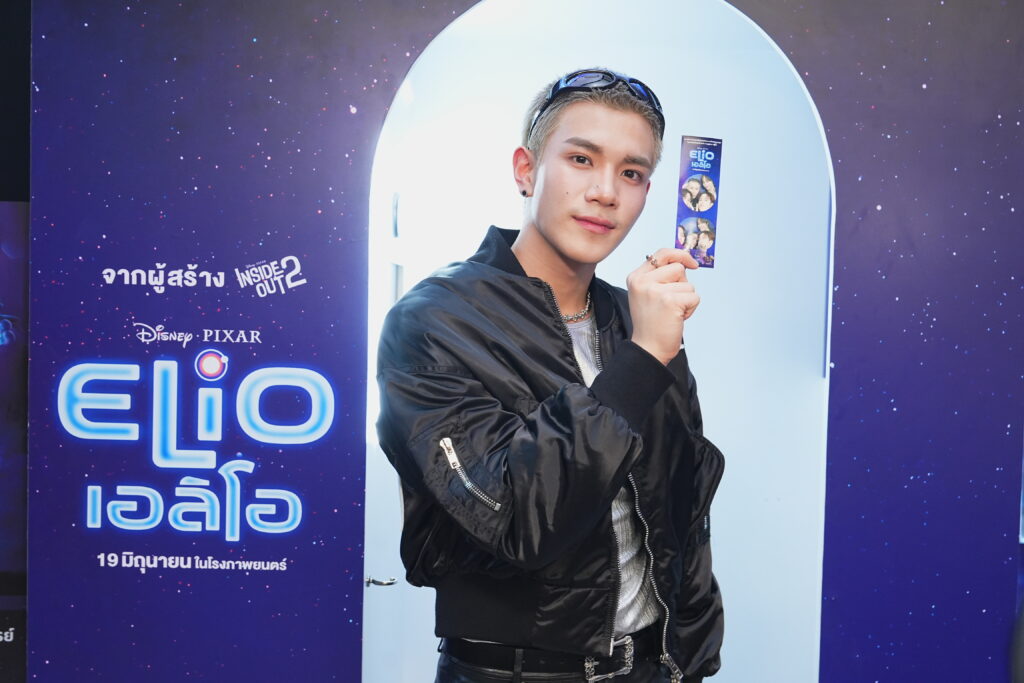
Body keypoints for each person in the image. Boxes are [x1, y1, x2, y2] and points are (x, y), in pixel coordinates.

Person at [377, 68, 725, 683]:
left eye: (631, 173)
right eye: (581, 159)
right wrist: (642, 358)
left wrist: (693, 662)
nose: (605, 192)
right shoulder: (434, 321)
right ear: (526, 170)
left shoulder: (636, 318)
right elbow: (518, 521)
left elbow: (684, 512)